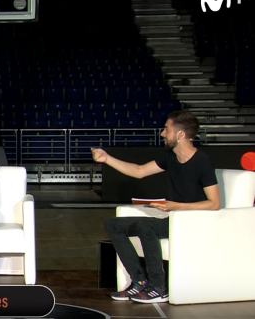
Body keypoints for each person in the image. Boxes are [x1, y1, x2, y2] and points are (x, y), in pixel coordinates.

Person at [93, 110, 219, 303]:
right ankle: (140, 282)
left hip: (194, 223)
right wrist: (107, 159)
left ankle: (158, 287)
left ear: (180, 135)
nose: (162, 134)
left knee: (146, 226)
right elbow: (139, 171)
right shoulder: (170, 157)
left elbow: (214, 204)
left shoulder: (202, 162)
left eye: (166, 130)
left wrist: (178, 206)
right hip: (174, 220)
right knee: (113, 224)